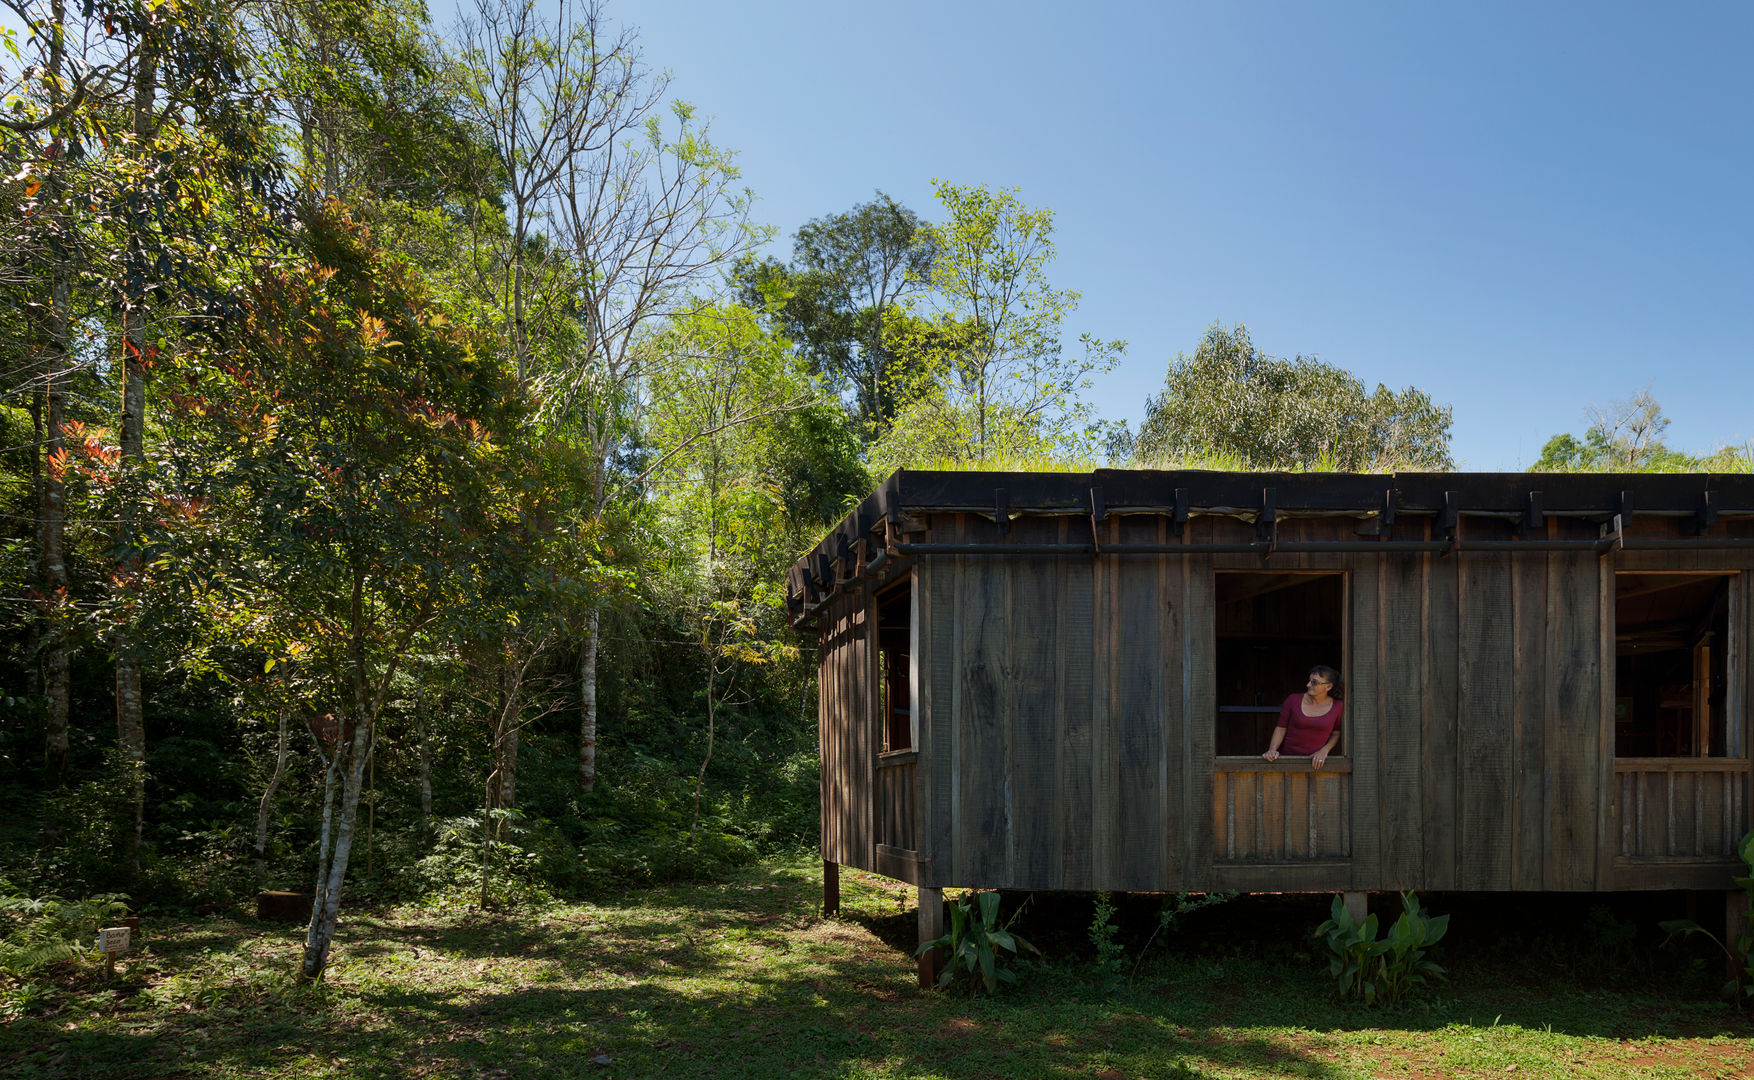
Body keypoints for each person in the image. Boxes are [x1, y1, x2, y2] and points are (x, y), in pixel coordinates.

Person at [1261, 665, 1343, 768]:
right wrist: (1272, 750)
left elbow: (1336, 733)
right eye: (1309, 681)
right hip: (1285, 760)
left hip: (1315, 763)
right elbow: (1281, 728)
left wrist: (1324, 750)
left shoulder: (1338, 706)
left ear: (1328, 687)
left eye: (1314, 682)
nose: (1308, 685)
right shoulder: (1293, 700)